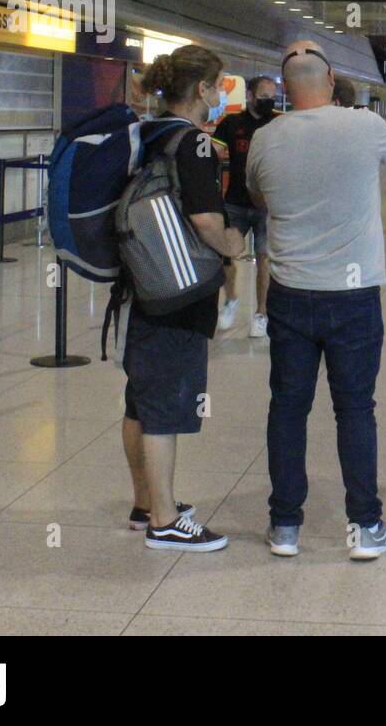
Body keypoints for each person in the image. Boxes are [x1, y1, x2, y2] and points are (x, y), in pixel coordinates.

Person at [247, 42, 386, 560]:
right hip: (354, 297)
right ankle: (364, 527)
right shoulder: (364, 126)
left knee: (288, 409)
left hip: (290, 294)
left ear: (283, 88)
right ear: (332, 78)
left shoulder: (265, 138)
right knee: (355, 409)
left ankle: (285, 526)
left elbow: (257, 197)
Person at [123, 45, 246, 551]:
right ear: (201, 90)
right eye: (217, 86)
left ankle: (145, 502)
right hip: (179, 291)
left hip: (146, 281)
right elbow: (204, 220)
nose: (219, 96)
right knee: (167, 405)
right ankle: (165, 520)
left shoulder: (147, 134)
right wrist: (234, 246)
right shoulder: (192, 143)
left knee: (140, 398)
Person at [212, 76, 278, 337]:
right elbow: (213, 151)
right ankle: (231, 300)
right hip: (235, 202)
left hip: (265, 204)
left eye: (272, 95)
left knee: (263, 257)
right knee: (227, 254)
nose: (269, 101)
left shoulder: (277, 123)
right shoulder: (232, 123)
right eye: (264, 95)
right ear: (250, 95)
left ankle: (261, 313)